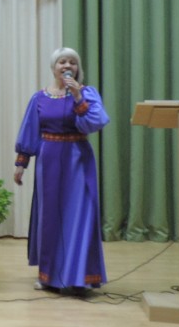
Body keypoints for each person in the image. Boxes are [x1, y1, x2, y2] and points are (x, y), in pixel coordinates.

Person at [14, 47, 110, 293]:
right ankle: (49, 276)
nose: (67, 66)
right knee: (50, 218)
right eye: (62, 62)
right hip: (49, 160)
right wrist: (21, 163)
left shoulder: (87, 93)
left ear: (78, 68)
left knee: (80, 216)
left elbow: (95, 122)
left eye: (72, 62)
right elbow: (30, 130)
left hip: (77, 159)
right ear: (53, 67)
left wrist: (78, 98)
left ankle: (80, 278)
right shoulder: (39, 98)